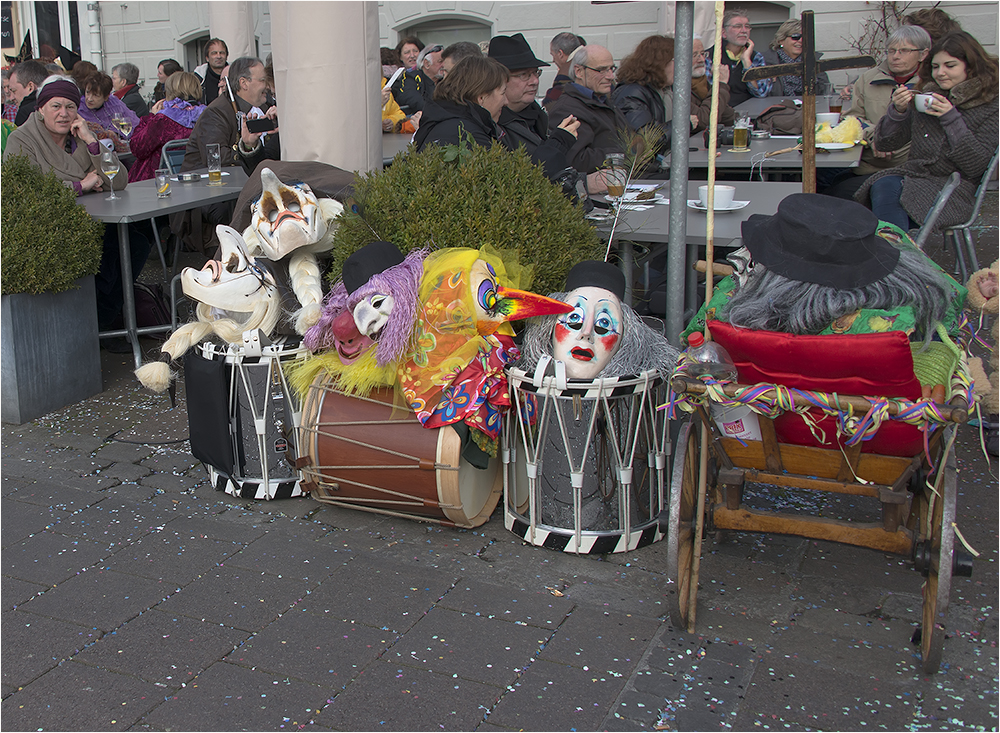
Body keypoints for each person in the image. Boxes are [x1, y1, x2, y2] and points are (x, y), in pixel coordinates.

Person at [3, 77, 148, 340]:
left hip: (94, 219)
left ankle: (104, 320)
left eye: (70, 107)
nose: (63, 113)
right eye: (56, 106)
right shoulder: (21, 139)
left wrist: (93, 143)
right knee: (110, 250)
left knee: (137, 243)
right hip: (48, 227)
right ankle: (99, 326)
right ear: (40, 109)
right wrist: (81, 185)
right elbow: (29, 190)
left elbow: (119, 180)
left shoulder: (81, 137)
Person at [856, 31, 999, 233]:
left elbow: (976, 166)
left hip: (954, 189)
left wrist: (951, 118)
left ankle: (895, 255)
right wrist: (897, 111)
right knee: (868, 190)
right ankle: (897, 253)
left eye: (950, 66)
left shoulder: (990, 105)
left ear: (971, 66)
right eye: (935, 66)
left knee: (883, 191)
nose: (940, 73)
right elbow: (886, 144)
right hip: (914, 177)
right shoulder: (929, 96)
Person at [821, 25, 931, 200]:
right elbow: (852, 118)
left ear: (923, 54)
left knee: (837, 195)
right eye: (891, 50)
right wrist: (876, 137)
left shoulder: (930, 84)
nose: (895, 56)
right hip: (866, 163)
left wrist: (889, 142)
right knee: (823, 182)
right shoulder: (868, 79)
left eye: (904, 51)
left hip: (908, 170)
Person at [487, 33, 591, 185]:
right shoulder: (493, 126)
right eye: (524, 75)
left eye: (536, 72)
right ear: (500, 79)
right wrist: (585, 183)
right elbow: (523, 180)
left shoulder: (537, 115)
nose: (535, 81)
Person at [545, 44, 628, 174]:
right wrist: (621, 155)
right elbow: (577, 160)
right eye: (601, 70)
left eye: (611, 69)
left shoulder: (603, 101)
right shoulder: (567, 109)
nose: (611, 76)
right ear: (578, 71)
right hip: (600, 189)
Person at [128, 71, 206, 182]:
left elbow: (137, 148)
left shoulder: (163, 119)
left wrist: (151, 117)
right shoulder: (206, 115)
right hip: (199, 176)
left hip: (159, 181)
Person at [611, 35, 676, 160]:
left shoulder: (663, 90)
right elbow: (646, 139)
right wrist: (681, 125)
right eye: (676, 61)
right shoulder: (631, 93)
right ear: (660, 63)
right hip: (643, 172)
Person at [705, 8, 771, 106]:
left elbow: (761, 92)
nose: (744, 31)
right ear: (723, 33)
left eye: (747, 26)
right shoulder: (710, 56)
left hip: (750, 113)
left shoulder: (755, 57)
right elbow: (709, 92)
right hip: (721, 113)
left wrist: (746, 62)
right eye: (737, 26)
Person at [761, 19, 831, 97]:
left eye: (804, 37)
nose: (801, 40)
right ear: (781, 40)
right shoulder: (766, 62)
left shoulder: (813, 62)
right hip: (778, 108)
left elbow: (827, 92)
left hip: (809, 107)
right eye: (795, 37)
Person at [77, 72, 138, 155]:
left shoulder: (114, 104)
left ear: (106, 97)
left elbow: (132, 124)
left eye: (95, 95)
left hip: (119, 153)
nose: (89, 99)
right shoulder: (79, 108)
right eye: (88, 92)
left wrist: (116, 133)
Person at [691, 35, 735, 131]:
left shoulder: (702, 82)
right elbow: (704, 120)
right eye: (694, 55)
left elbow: (728, 116)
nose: (702, 60)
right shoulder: (677, 89)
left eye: (703, 54)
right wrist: (720, 85)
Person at [392, 43, 443, 114]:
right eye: (440, 61)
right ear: (427, 64)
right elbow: (414, 100)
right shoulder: (411, 77)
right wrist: (439, 112)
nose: (443, 65)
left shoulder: (445, 79)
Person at [543, 32, 585, 106]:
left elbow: (551, 104)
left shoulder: (564, 77)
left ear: (560, 53)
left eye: (553, 55)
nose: (553, 60)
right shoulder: (594, 57)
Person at [10, 60, 48, 126]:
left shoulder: (25, 113)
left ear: (30, 87)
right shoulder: (60, 103)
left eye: (14, 91)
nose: (11, 98)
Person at [194, 38, 229, 105]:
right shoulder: (199, 78)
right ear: (207, 57)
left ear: (226, 56)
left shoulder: (235, 74)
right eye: (214, 53)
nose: (219, 56)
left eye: (222, 53)